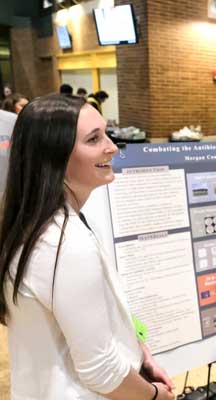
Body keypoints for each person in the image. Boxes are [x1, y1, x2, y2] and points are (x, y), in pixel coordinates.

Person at [0, 94, 176, 399]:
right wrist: (155, 395)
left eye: (105, 133)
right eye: (94, 139)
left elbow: (91, 319)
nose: (111, 146)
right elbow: (101, 370)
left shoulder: (44, 223)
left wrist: (140, 355)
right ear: (54, 156)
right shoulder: (63, 244)